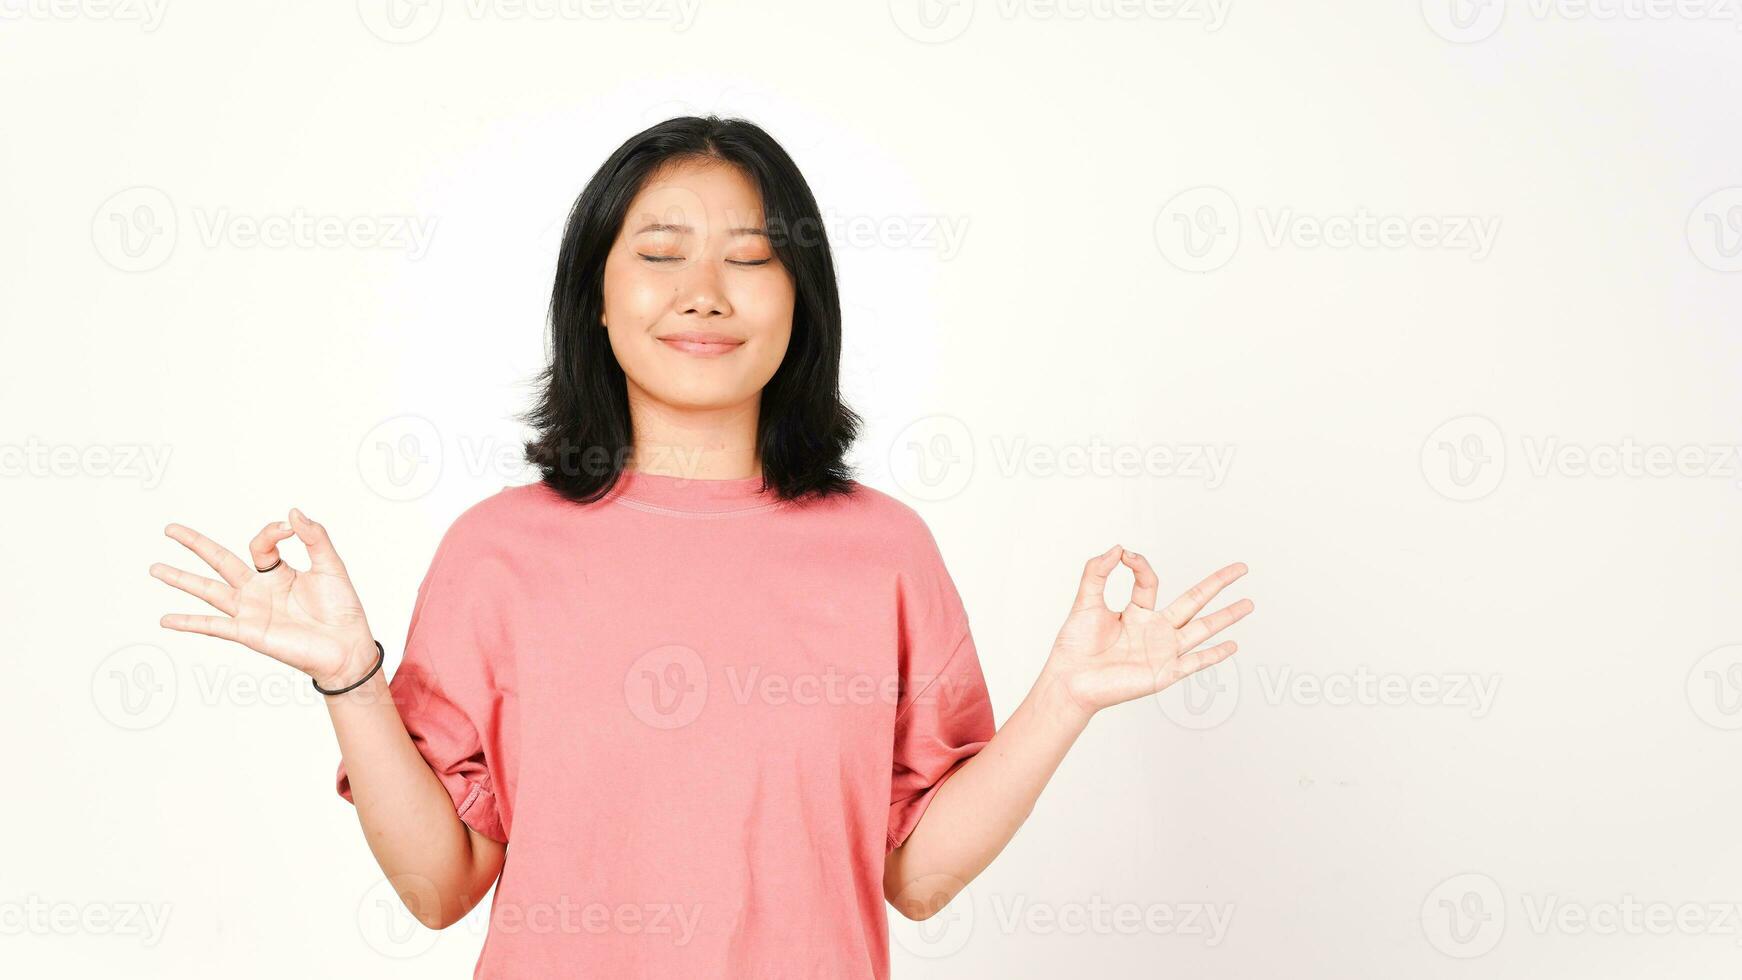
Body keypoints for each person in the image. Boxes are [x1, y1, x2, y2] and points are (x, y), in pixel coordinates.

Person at [147, 115, 1254, 979]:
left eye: (753, 258)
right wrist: (351, 679)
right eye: (660, 253)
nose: (705, 295)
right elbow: (440, 885)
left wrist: (1062, 696)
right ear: (594, 294)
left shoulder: (883, 551)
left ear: (799, 300)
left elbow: (913, 875)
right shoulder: (496, 553)